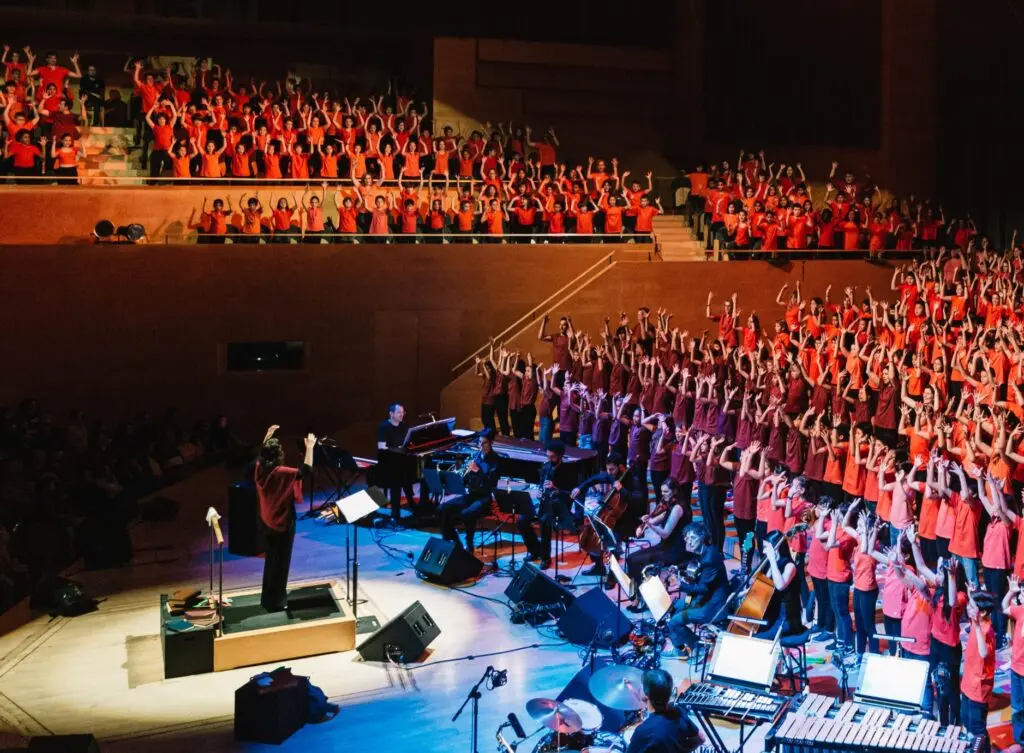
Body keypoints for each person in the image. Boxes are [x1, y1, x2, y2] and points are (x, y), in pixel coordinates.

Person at [254, 425, 314, 611]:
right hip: (282, 523)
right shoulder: (281, 473)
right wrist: (310, 447)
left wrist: (267, 436)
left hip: (266, 522)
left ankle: (267, 598)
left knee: (271, 561)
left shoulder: (259, 469)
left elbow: (261, 454)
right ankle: (277, 602)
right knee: (281, 563)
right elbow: (306, 471)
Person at [570, 451, 648, 578]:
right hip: (612, 516)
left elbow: (639, 500)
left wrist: (622, 490)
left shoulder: (634, 479)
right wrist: (580, 487)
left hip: (629, 519)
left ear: (621, 467)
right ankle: (598, 567)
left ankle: (613, 574)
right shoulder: (613, 475)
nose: (610, 472)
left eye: (612, 469)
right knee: (593, 531)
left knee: (613, 539)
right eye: (608, 470)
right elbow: (595, 478)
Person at [665, 522, 729, 657]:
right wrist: (679, 571)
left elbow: (703, 588)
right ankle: (683, 644)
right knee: (674, 607)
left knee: (674, 622)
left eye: (693, 538)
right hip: (701, 598)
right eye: (687, 538)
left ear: (702, 537)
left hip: (712, 606)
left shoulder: (710, 558)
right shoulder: (703, 551)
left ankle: (693, 647)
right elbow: (699, 574)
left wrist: (681, 585)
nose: (689, 542)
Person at [439, 429, 499, 553]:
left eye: (484, 443)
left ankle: (469, 542)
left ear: (491, 443)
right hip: (471, 494)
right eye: (479, 443)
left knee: (467, 513)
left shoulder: (495, 460)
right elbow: (467, 479)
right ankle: (453, 540)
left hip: (484, 497)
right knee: (442, 508)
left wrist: (479, 471)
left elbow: (492, 483)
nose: (481, 446)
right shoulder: (476, 457)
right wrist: (463, 474)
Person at [516, 440, 574, 569]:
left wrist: (555, 488)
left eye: (552, 457)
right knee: (521, 520)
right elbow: (541, 484)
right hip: (544, 503)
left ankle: (545, 557)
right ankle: (535, 550)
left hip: (558, 506)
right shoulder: (546, 467)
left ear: (560, 456)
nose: (549, 459)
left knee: (544, 522)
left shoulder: (568, 470)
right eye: (548, 456)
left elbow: (570, 493)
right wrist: (539, 491)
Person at [625, 668, 703, 753]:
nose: (639, 687)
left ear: (647, 695)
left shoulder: (643, 732)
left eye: (641, 685)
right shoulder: (678, 712)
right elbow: (701, 738)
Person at [376, 403, 419, 521]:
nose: (402, 415)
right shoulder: (384, 427)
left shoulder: (404, 426)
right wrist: (398, 450)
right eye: (399, 412)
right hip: (388, 463)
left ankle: (411, 503)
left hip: (401, 461)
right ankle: (396, 510)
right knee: (398, 476)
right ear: (391, 414)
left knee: (410, 470)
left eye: (403, 412)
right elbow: (381, 447)